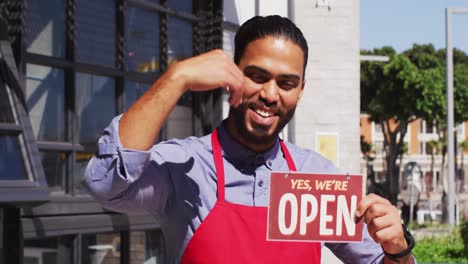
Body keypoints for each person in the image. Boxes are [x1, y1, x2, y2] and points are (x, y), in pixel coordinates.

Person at [83, 15, 415, 263]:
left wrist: (398, 249)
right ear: (233, 73)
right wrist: (176, 77)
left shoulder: (318, 177)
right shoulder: (185, 166)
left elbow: (375, 260)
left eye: (286, 83)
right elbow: (106, 186)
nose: (270, 94)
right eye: (257, 76)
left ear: (301, 90)